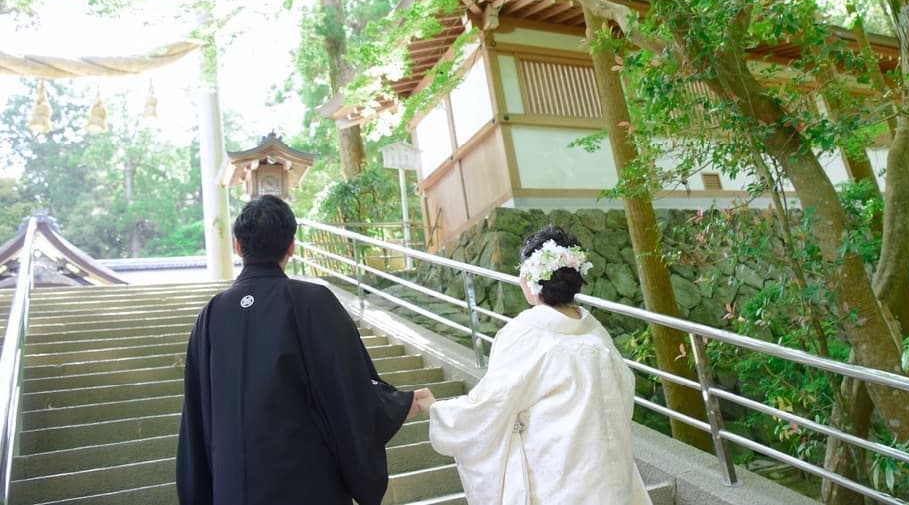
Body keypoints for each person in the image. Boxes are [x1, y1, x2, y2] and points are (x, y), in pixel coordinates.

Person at [176, 194, 429, 505]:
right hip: (307, 485)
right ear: (291, 247)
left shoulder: (210, 316)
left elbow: (196, 419)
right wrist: (399, 404)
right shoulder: (312, 302)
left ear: (238, 247)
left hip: (231, 490)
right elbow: (348, 388)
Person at [415, 225, 651, 505]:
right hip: (608, 477)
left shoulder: (527, 333)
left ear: (530, 277)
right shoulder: (596, 333)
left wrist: (437, 409)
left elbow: (490, 405)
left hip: (557, 479)